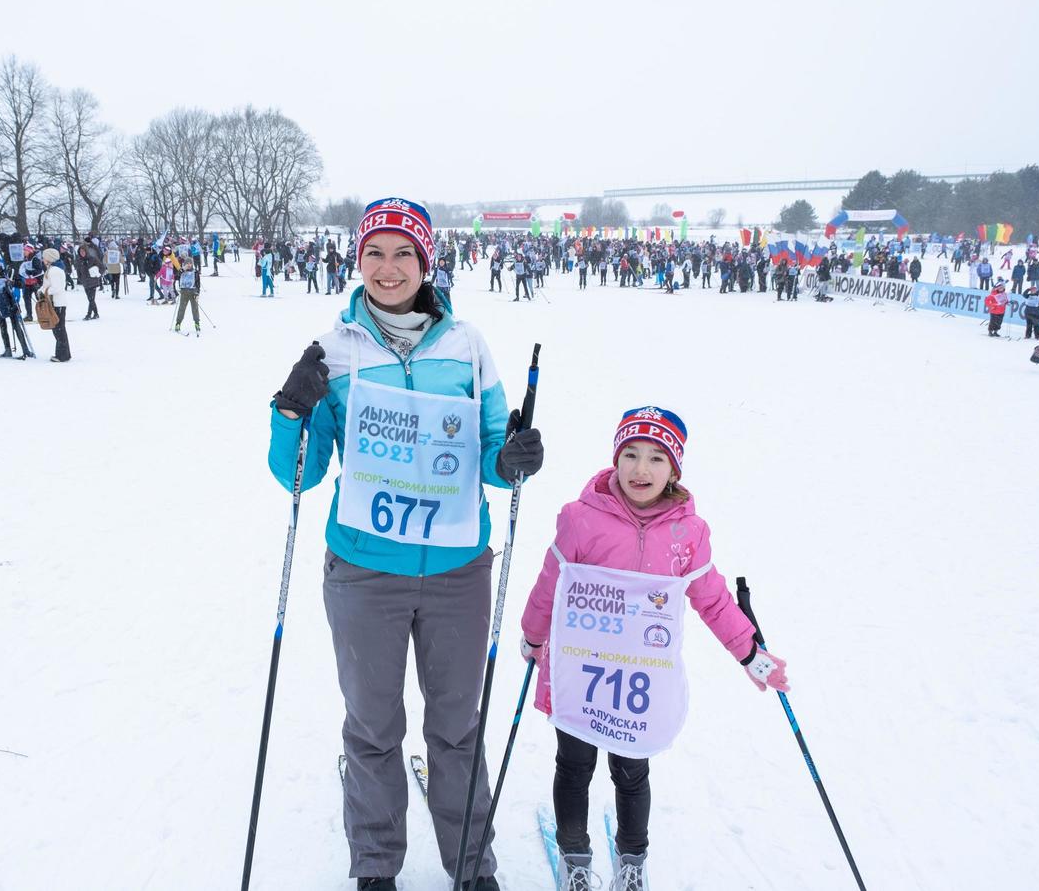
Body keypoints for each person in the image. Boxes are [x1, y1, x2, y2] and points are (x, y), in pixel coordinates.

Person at [267, 197, 543, 891]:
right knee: (373, 728)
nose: (388, 269)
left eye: (403, 254)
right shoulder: (333, 352)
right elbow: (297, 475)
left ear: (426, 263)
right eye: (374, 254)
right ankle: (375, 869)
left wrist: (510, 460)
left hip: (457, 571)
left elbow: (488, 451)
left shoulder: (468, 346)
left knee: (456, 728)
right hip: (364, 572)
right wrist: (290, 412)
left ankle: (472, 869)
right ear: (357, 261)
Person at [518, 407, 788, 890]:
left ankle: (632, 857)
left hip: (639, 678)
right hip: (580, 672)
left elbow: (713, 599)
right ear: (616, 459)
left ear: (674, 470)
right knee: (574, 766)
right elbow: (549, 585)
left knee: (630, 768)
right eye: (631, 455)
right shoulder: (581, 520)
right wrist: (534, 635)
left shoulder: (687, 533)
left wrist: (753, 655)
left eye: (657, 458)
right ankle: (575, 857)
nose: (641, 469)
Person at [40, 248, 71, 362]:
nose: (43, 259)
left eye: (44, 257)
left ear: (49, 258)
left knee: (58, 329)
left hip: (57, 303)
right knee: (59, 329)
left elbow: (56, 287)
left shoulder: (55, 271)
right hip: (56, 302)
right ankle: (64, 353)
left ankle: (62, 355)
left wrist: (43, 291)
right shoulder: (53, 269)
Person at [174, 254, 201, 334]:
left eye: (190, 263)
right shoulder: (181, 270)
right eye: (187, 263)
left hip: (193, 292)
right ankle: (178, 323)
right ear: (184, 264)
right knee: (182, 308)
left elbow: (197, 284)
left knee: (195, 309)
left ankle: (197, 323)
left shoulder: (195, 272)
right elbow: (176, 277)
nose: (189, 265)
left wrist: (197, 293)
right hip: (184, 292)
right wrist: (182, 270)